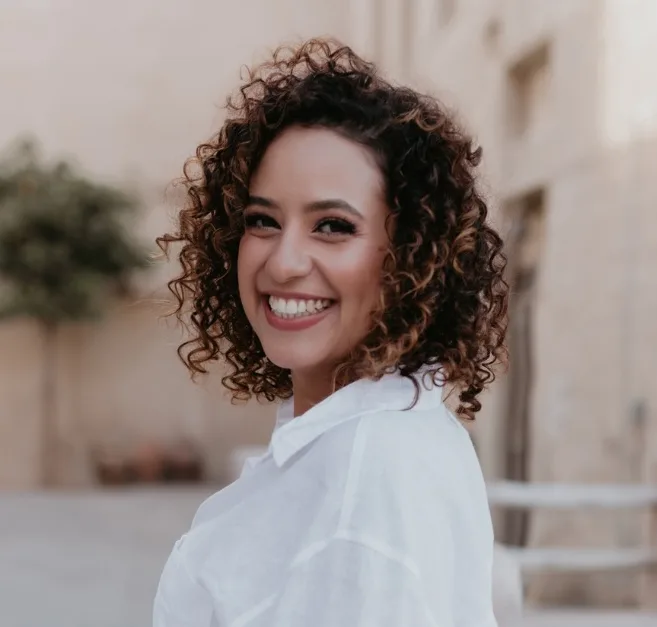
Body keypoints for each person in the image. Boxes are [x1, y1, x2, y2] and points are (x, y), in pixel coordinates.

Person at [153, 37, 508, 627]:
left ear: (413, 254)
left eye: (333, 226)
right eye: (262, 220)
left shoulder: (366, 478)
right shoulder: (382, 436)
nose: (284, 261)